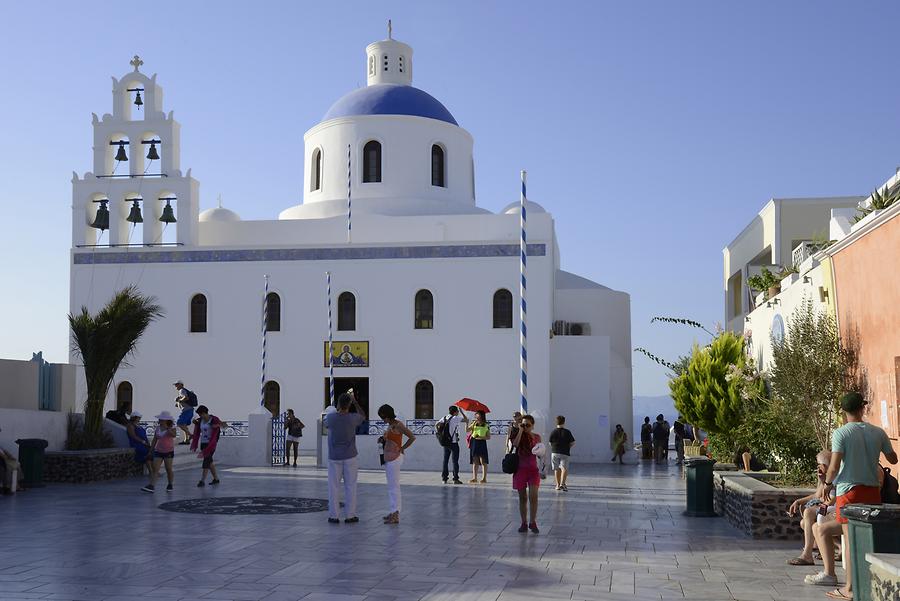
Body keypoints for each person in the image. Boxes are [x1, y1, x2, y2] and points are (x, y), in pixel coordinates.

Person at [806, 392, 898, 598]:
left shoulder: (841, 433)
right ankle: (865, 582)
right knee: (866, 537)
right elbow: (892, 459)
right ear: (862, 408)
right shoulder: (878, 432)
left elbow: (835, 465)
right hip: (872, 491)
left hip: (849, 491)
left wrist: (828, 484)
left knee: (851, 540)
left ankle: (849, 589)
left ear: (843, 411)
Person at [787, 451, 834, 566]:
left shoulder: (834, 477)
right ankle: (825, 548)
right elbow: (817, 495)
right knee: (804, 523)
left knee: (808, 512)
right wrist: (798, 501)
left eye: (819, 465)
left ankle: (807, 554)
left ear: (825, 465)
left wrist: (819, 508)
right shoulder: (824, 477)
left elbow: (832, 499)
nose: (818, 468)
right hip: (828, 509)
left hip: (832, 509)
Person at [324, 392, 366, 523]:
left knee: (333, 487)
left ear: (338, 404)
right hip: (350, 456)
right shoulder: (353, 418)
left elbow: (325, 423)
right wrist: (355, 402)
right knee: (351, 486)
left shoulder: (331, 418)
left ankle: (334, 515)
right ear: (349, 404)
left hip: (334, 457)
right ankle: (350, 515)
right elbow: (363, 416)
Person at [377, 404, 415, 524]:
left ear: (387, 415)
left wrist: (402, 448)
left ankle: (395, 514)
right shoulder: (390, 425)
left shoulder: (398, 425)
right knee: (391, 487)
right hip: (389, 457)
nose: (382, 420)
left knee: (394, 487)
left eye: (383, 417)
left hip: (395, 458)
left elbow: (412, 437)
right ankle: (393, 511)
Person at [512, 414, 542, 534]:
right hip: (520, 470)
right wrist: (520, 431)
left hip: (533, 470)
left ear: (533, 426)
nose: (525, 427)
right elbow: (515, 444)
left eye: (527, 425)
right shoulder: (519, 435)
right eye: (523, 424)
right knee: (522, 498)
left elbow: (540, 453)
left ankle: (532, 522)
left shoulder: (537, 437)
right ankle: (523, 522)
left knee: (533, 497)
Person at [141, 411, 177, 493]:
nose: (160, 420)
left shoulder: (172, 428)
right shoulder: (157, 428)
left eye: (161, 419)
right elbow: (155, 439)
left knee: (168, 469)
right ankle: (152, 485)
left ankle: (170, 484)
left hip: (168, 451)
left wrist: (168, 428)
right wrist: (151, 450)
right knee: (155, 469)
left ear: (166, 420)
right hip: (158, 450)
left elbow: (173, 435)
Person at [190, 405, 223, 487]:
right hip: (203, 443)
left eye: (201, 414)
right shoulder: (200, 420)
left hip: (211, 444)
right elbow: (198, 430)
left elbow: (223, 425)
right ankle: (216, 479)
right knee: (209, 461)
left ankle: (202, 480)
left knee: (206, 461)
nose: (200, 416)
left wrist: (217, 426)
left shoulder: (214, 419)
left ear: (205, 413)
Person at [437, 406, 468, 484]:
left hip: (445, 442)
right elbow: (466, 420)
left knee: (445, 460)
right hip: (453, 443)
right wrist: (462, 412)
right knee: (455, 461)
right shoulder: (455, 418)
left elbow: (436, 424)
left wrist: (441, 434)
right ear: (455, 412)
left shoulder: (444, 417)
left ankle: (444, 478)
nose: (458, 413)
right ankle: (455, 479)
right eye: (457, 411)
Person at [549, 415, 575, 491]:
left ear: (556, 422)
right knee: (564, 468)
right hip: (565, 452)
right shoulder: (567, 432)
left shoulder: (553, 432)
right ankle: (562, 484)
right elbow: (573, 442)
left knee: (556, 469)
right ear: (564, 422)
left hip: (555, 452)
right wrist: (568, 447)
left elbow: (550, 443)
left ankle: (557, 485)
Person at [467, 410, 491, 483]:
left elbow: (488, 437)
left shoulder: (486, 425)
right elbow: (467, 430)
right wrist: (466, 423)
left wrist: (481, 437)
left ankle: (484, 478)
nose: (476, 416)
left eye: (477, 415)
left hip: (482, 443)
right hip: (474, 442)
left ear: (481, 416)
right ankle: (474, 478)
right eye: (476, 415)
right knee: (475, 461)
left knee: (483, 461)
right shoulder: (474, 423)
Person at [173, 380, 198, 444]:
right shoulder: (182, 391)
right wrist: (178, 403)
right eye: (175, 385)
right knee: (184, 425)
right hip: (189, 410)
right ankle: (186, 440)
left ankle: (191, 435)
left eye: (177, 384)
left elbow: (186, 398)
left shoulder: (182, 390)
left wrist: (180, 400)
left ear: (181, 385)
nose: (176, 386)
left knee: (179, 423)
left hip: (186, 410)